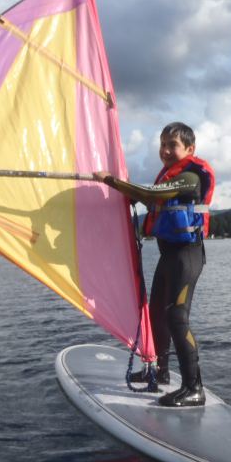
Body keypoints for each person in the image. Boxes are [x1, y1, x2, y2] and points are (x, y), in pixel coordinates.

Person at [93, 122, 215, 407]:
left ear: (189, 149)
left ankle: (194, 388)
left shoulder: (190, 178)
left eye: (172, 145)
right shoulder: (168, 178)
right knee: (158, 316)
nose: (166, 150)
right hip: (168, 256)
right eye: (162, 144)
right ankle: (160, 374)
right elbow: (146, 196)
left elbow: (151, 195)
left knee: (176, 317)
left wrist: (110, 180)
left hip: (187, 256)